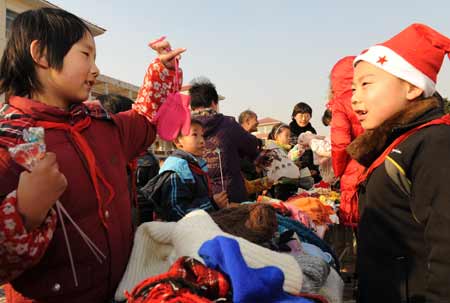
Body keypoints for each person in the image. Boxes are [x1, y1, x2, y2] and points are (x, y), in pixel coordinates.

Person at [0, 8, 185, 302]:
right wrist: (23, 214)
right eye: (86, 55)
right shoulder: (8, 146)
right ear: (42, 54)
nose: (95, 69)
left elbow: (145, 120)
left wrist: (161, 73)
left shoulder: (101, 127)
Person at [347, 23, 450, 302]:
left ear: (412, 88)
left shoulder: (434, 144)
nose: (355, 97)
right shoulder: (394, 146)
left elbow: (445, 244)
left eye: (366, 84)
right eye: (353, 87)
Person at [190, 78, 259, 203]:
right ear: (214, 103)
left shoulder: (185, 129)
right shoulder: (228, 124)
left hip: (201, 201)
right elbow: (252, 145)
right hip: (230, 197)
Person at [146, 119, 229, 221]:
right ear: (178, 142)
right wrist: (211, 204)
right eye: (194, 135)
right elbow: (176, 212)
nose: (202, 141)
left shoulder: (195, 165)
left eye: (202, 135)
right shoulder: (177, 170)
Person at [326, 56, 364, 226]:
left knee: (361, 225)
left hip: (354, 169)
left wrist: (338, 170)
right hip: (382, 166)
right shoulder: (375, 96)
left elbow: (341, 144)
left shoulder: (341, 103)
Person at [266, 123, 313, 200]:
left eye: (289, 136)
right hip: (281, 187)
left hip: (292, 185)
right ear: (276, 136)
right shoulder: (272, 149)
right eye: (286, 135)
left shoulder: (287, 149)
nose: (289, 138)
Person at [289, 102, 320, 182]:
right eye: (300, 116)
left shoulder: (312, 131)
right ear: (294, 116)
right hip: (292, 171)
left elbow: (315, 152)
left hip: (310, 171)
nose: (303, 119)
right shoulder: (288, 131)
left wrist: (314, 168)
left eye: (306, 116)